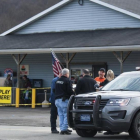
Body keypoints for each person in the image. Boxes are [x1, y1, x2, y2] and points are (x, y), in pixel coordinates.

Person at [55, 68, 74, 135]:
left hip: (57, 100)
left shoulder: (57, 80)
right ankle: (64, 129)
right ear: (66, 74)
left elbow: (55, 90)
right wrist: (73, 94)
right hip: (64, 100)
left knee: (60, 115)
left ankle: (62, 128)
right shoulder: (67, 81)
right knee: (66, 115)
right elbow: (69, 90)